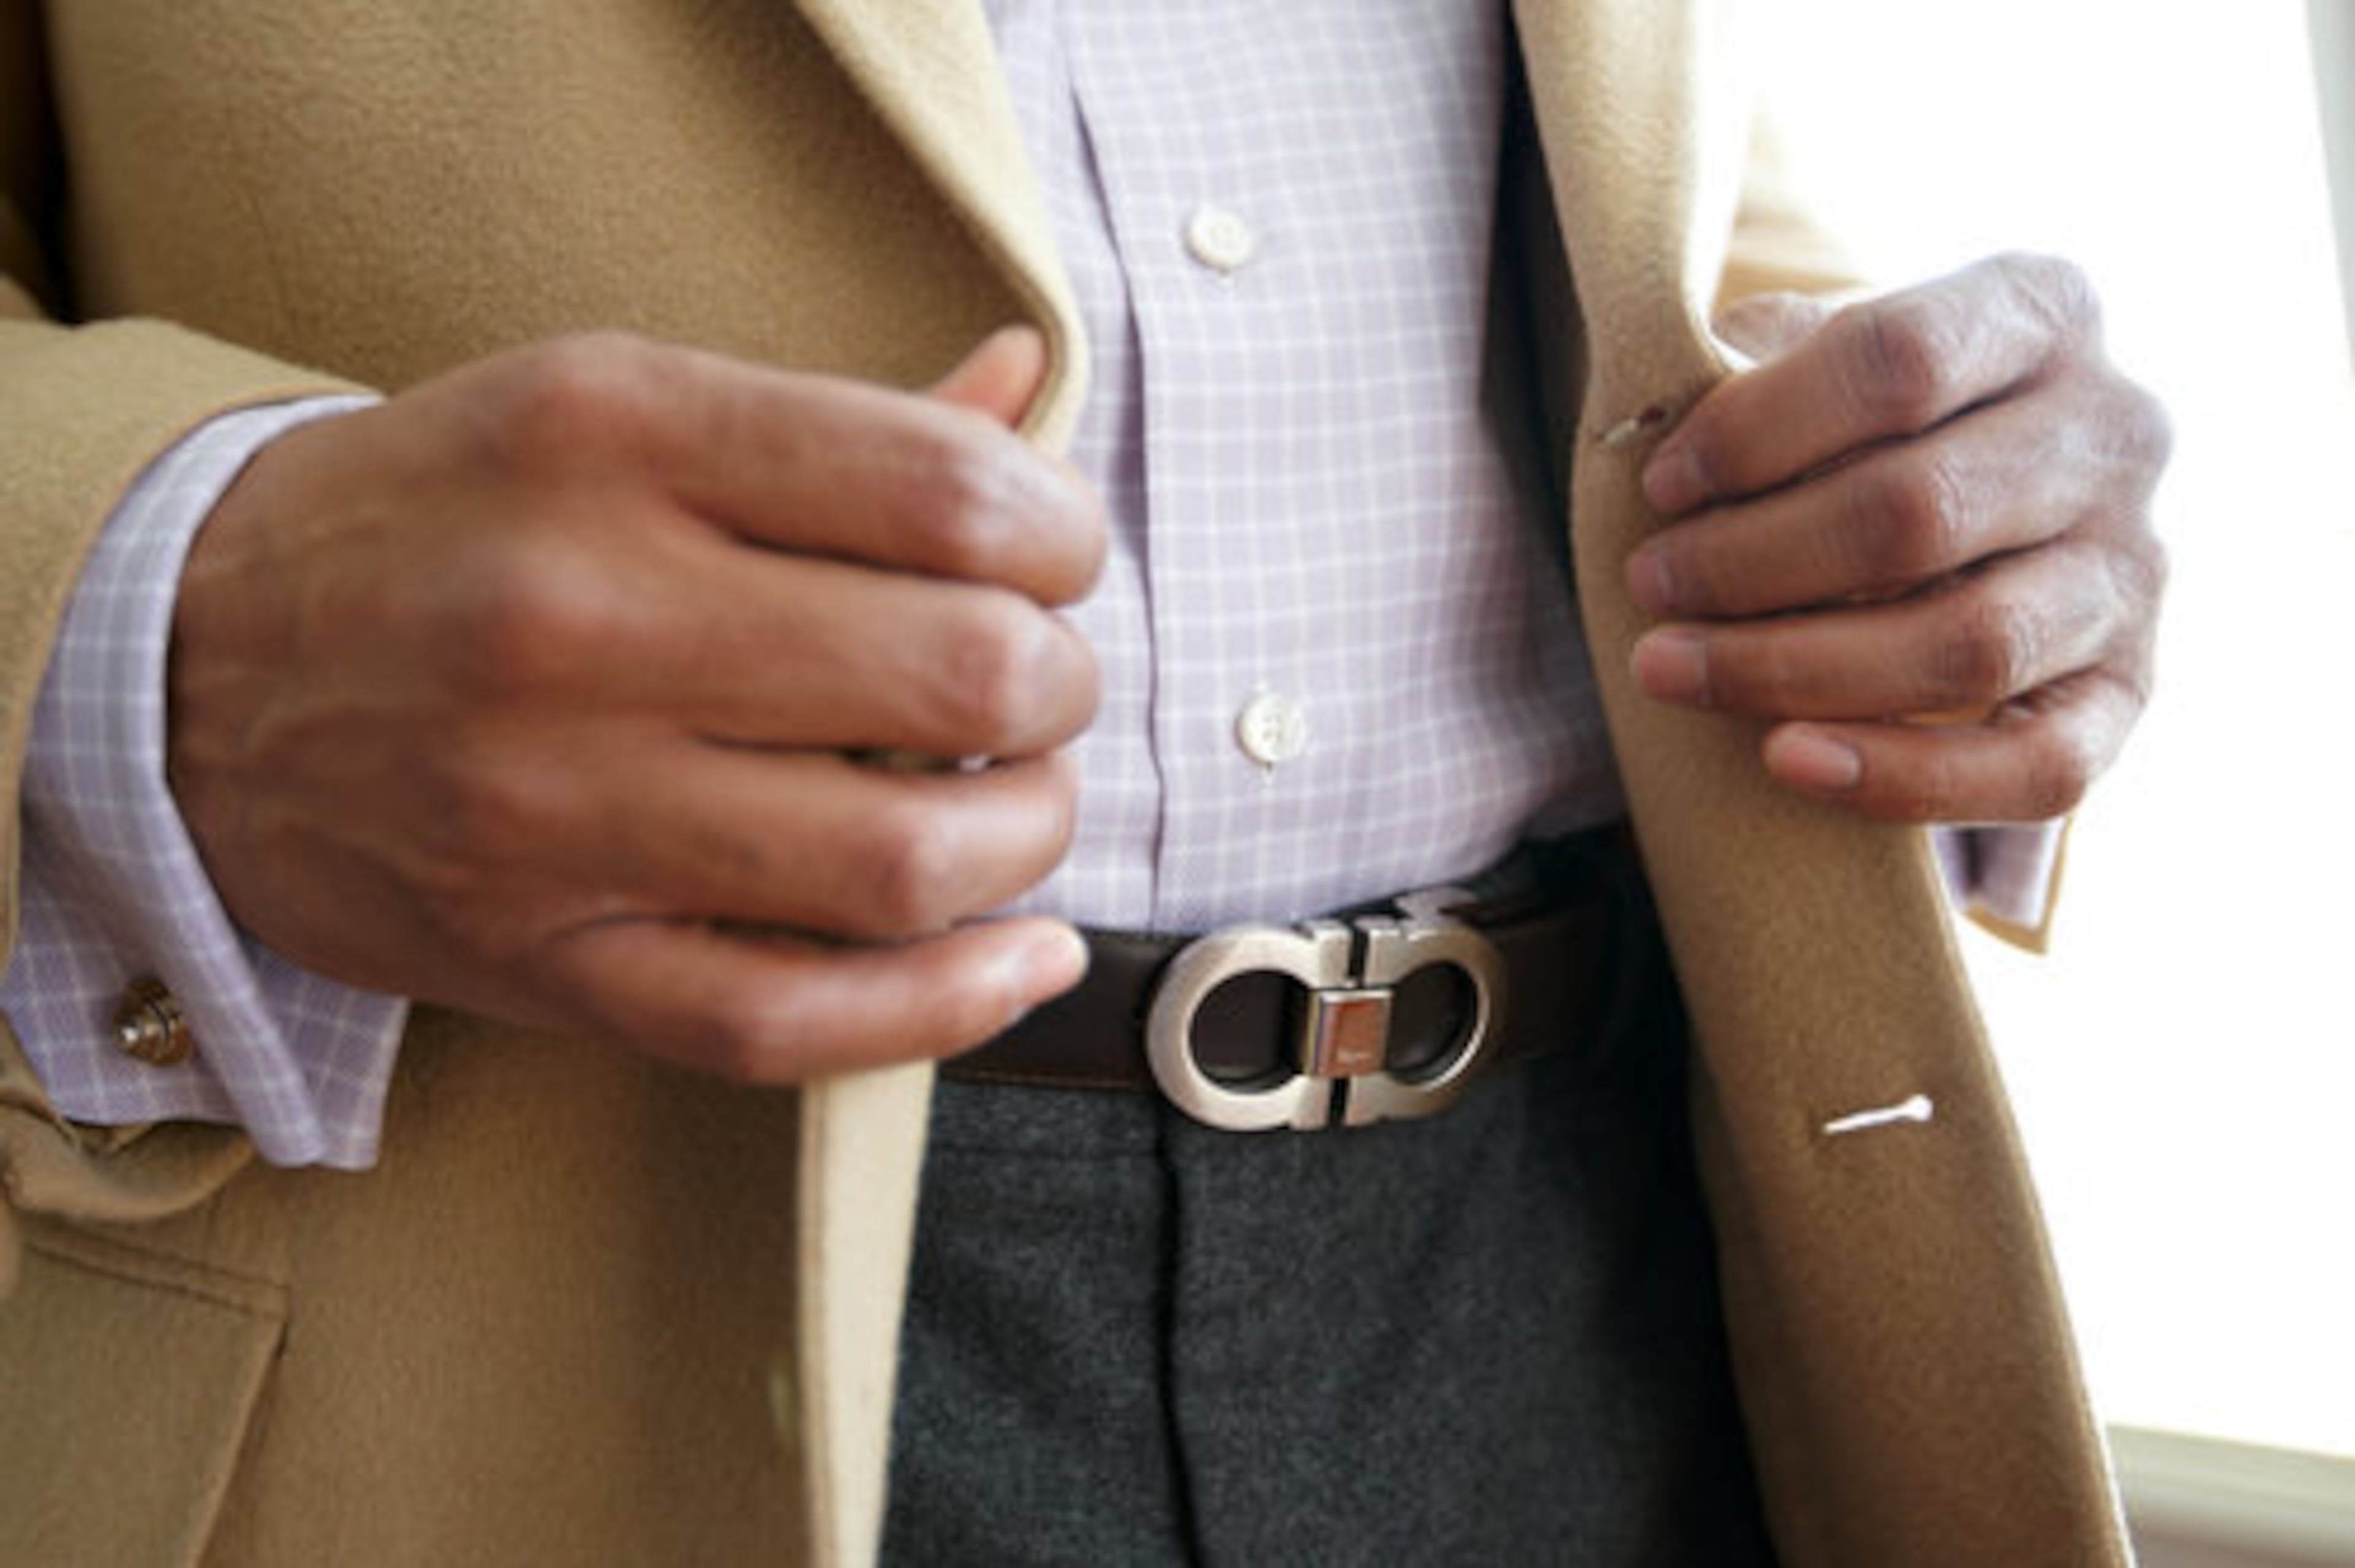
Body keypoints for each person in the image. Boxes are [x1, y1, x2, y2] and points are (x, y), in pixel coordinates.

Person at [0, 2, 2168, 1563]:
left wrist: (1935, 528)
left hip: (1591, 1265)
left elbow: (1656, 220)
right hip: (516, 1295)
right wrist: (163, 613)